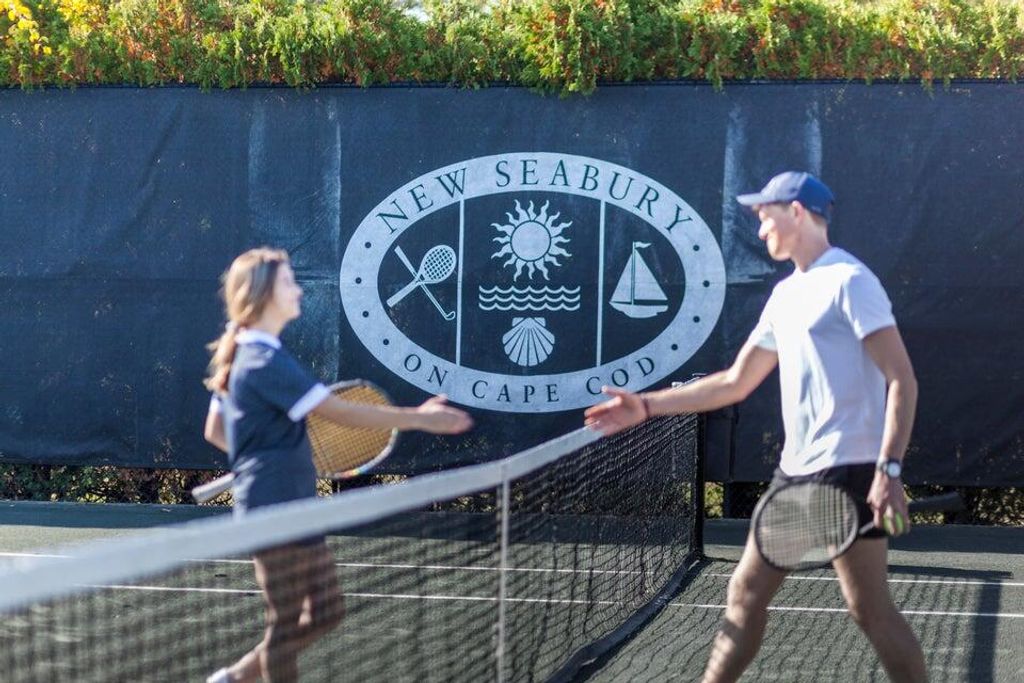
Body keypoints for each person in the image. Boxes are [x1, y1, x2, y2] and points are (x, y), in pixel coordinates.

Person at [584, 172, 926, 683]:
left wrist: (888, 470)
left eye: (766, 215)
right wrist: (647, 406)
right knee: (774, 596)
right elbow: (735, 382)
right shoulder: (786, 295)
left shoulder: (850, 282)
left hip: (843, 472)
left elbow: (901, 379)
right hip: (802, 474)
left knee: (855, 607)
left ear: (798, 212)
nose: (761, 227)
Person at [202, 247, 473, 683]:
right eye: (288, 282)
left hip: (293, 503)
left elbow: (216, 430)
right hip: (273, 508)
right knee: (285, 624)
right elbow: (339, 412)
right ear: (263, 294)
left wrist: (259, 452)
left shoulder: (251, 357)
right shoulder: (264, 361)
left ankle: (234, 678)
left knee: (328, 610)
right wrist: (419, 419)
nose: (298, 290)